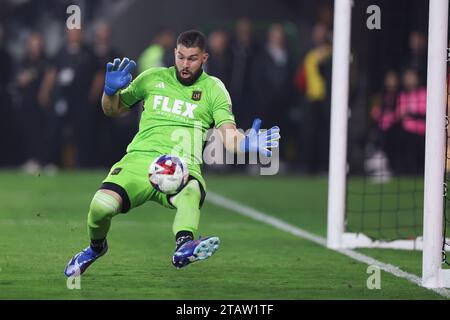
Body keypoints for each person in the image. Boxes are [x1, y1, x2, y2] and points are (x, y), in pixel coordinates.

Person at [64, 30, 281, 276]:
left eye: (192, 58)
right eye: (181, 57)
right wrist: (109, 92)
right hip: (139, 159)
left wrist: (243, 143)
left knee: (191, 190)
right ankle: (96, 248)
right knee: (101, 207)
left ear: (205, 58)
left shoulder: (213, 89)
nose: (185, 64)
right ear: (174, 53)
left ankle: (185, 245)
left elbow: (229, 136)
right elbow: (112, 110)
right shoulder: (152, 78)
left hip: (182, 164)